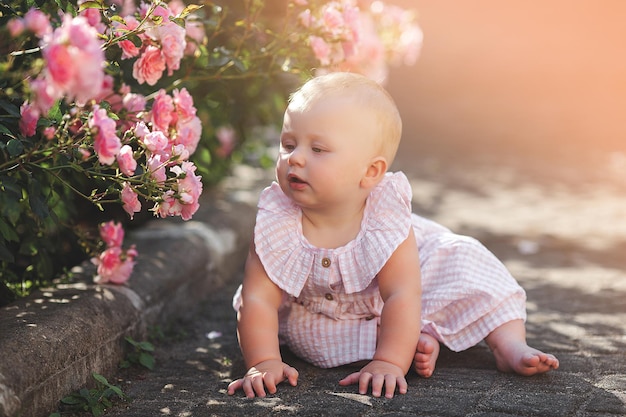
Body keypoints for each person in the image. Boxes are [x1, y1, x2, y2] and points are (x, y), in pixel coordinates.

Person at [227, 72, 559, 399]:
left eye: (318, 149)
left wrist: (388, 363)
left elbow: (402, 294)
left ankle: (509, 344)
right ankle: (420, 337)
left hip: (412, 284)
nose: (295, 158)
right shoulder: (277, 221)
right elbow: (258, 298)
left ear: (370, 172)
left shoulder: (385, 223)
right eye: (288, 144)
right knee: (327, 335)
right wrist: (264, 361)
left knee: (468, 266)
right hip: (323, 311)